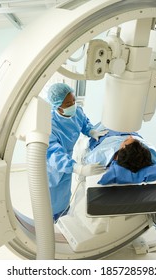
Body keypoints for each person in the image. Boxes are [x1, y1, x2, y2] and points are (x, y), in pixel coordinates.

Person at [46, 82, 108, 221]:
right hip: (52, 166)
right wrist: (77, 168)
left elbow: (84, 123)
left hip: (67, 156)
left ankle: (63, 215)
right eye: (68, 104)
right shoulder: (50, 124)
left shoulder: (77, 111)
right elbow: (53, 154)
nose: (73, 105)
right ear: (58, 106)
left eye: (73, 100)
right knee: (52, 195)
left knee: (64, 192)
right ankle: (51, 220)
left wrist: (91, 131)